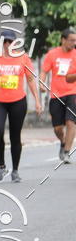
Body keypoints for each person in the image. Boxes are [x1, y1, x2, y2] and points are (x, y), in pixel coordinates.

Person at [0, 29, 42, 183]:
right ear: (1, 43)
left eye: (10, 41)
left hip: (18, 101)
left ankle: (15, 170)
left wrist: (37, 100)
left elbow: (29, 80)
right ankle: (1, 166)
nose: (8, 44)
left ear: (15, 43)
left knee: (15, 136)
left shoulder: (23, 58)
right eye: (5, 42)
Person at [40, 29, 76, 163]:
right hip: (56, 95)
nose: (74, 43)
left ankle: (67, 152)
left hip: (73, 93)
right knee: (58, 128)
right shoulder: (52, 54)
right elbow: (44, 71)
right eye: (72, 40)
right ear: (63, 40)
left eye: (75, 40)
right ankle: (62, 142)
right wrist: (42, 83)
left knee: (71, 122)